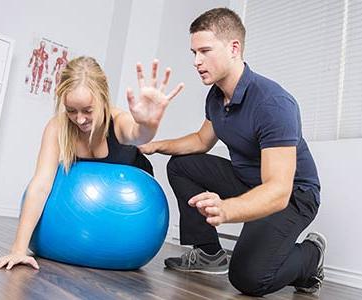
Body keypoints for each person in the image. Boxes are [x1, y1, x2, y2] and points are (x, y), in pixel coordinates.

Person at [139, 7, 325, 297]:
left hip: (293, 195)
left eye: (205, 51)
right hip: (249, 181)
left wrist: (226, 209)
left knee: (249, 279)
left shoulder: (272, 103)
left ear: (233, 48)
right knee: (181, 165)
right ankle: (209, 253)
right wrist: (156, 145)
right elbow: (202, 140)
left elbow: (278, 190)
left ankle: (312, 255)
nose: (197, 61)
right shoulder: (216, 96)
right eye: (194, 53)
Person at [0, 56, 184, 270]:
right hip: (80, 220)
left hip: (126, 218)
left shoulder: (117, 120)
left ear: (102, 96)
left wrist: (147, 123)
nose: (79, 119)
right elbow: (41, 185)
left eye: (88, 110)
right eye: (71, 110)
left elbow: (137, 134)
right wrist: (18, 250)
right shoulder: (57, 127)